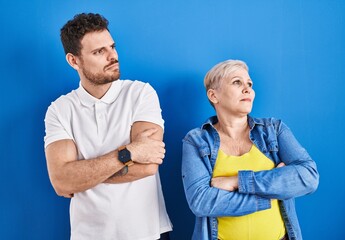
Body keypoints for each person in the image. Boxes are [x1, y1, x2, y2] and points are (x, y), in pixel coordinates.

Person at [44, 13, 172, 240]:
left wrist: (80, 176)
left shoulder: (140, 93)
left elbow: (148, 166)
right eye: (99, 52)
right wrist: (129, 153)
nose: (112, 56)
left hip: (147, 232)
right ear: (74, 61)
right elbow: (61, 181)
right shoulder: (60, 110)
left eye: (112, 47)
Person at [181, 59, 319, 240]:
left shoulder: (274, 130)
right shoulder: (196, 140)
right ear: (214, 96)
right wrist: (272, 194)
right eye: (237, 82)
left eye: (249, 84)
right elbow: (201, 201)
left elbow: (309, 177)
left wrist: (238, 181)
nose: (248, 89)